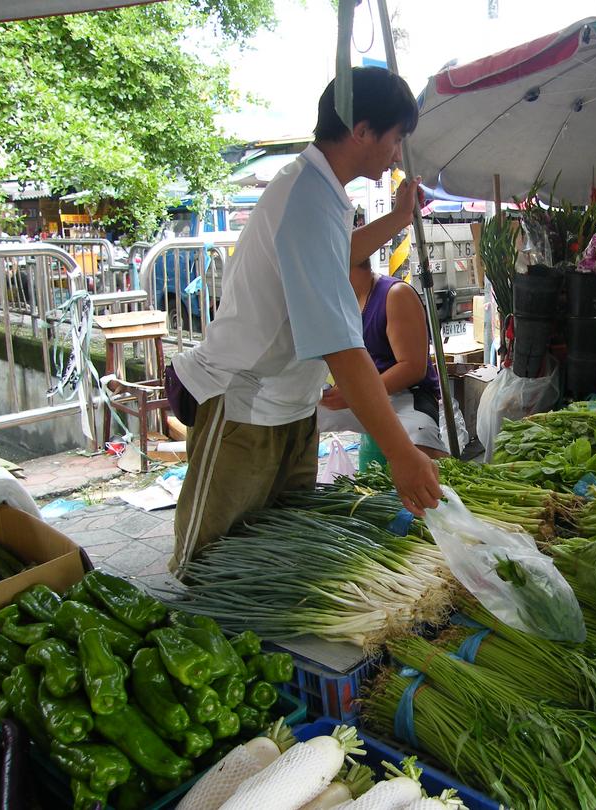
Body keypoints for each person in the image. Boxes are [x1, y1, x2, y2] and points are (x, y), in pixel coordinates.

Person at [165, 67, 442, 579]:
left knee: (273, 555)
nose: (398, 152)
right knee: (208, 564)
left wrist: (399, 220)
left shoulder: (321, 189)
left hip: (289, 405)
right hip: (245, 404)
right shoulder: (307, 199)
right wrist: (402, 454)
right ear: (361, 131)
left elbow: (336, 255)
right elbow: (343, 347)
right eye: (396, 137)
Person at [318, 248, 449, 458]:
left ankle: (441, 485)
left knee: (419, 442)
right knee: (298, 413)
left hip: (406, 396)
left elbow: (413, 368)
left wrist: (357, 393)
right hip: (358, 393)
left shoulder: (395, 294)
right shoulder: (338, 302)